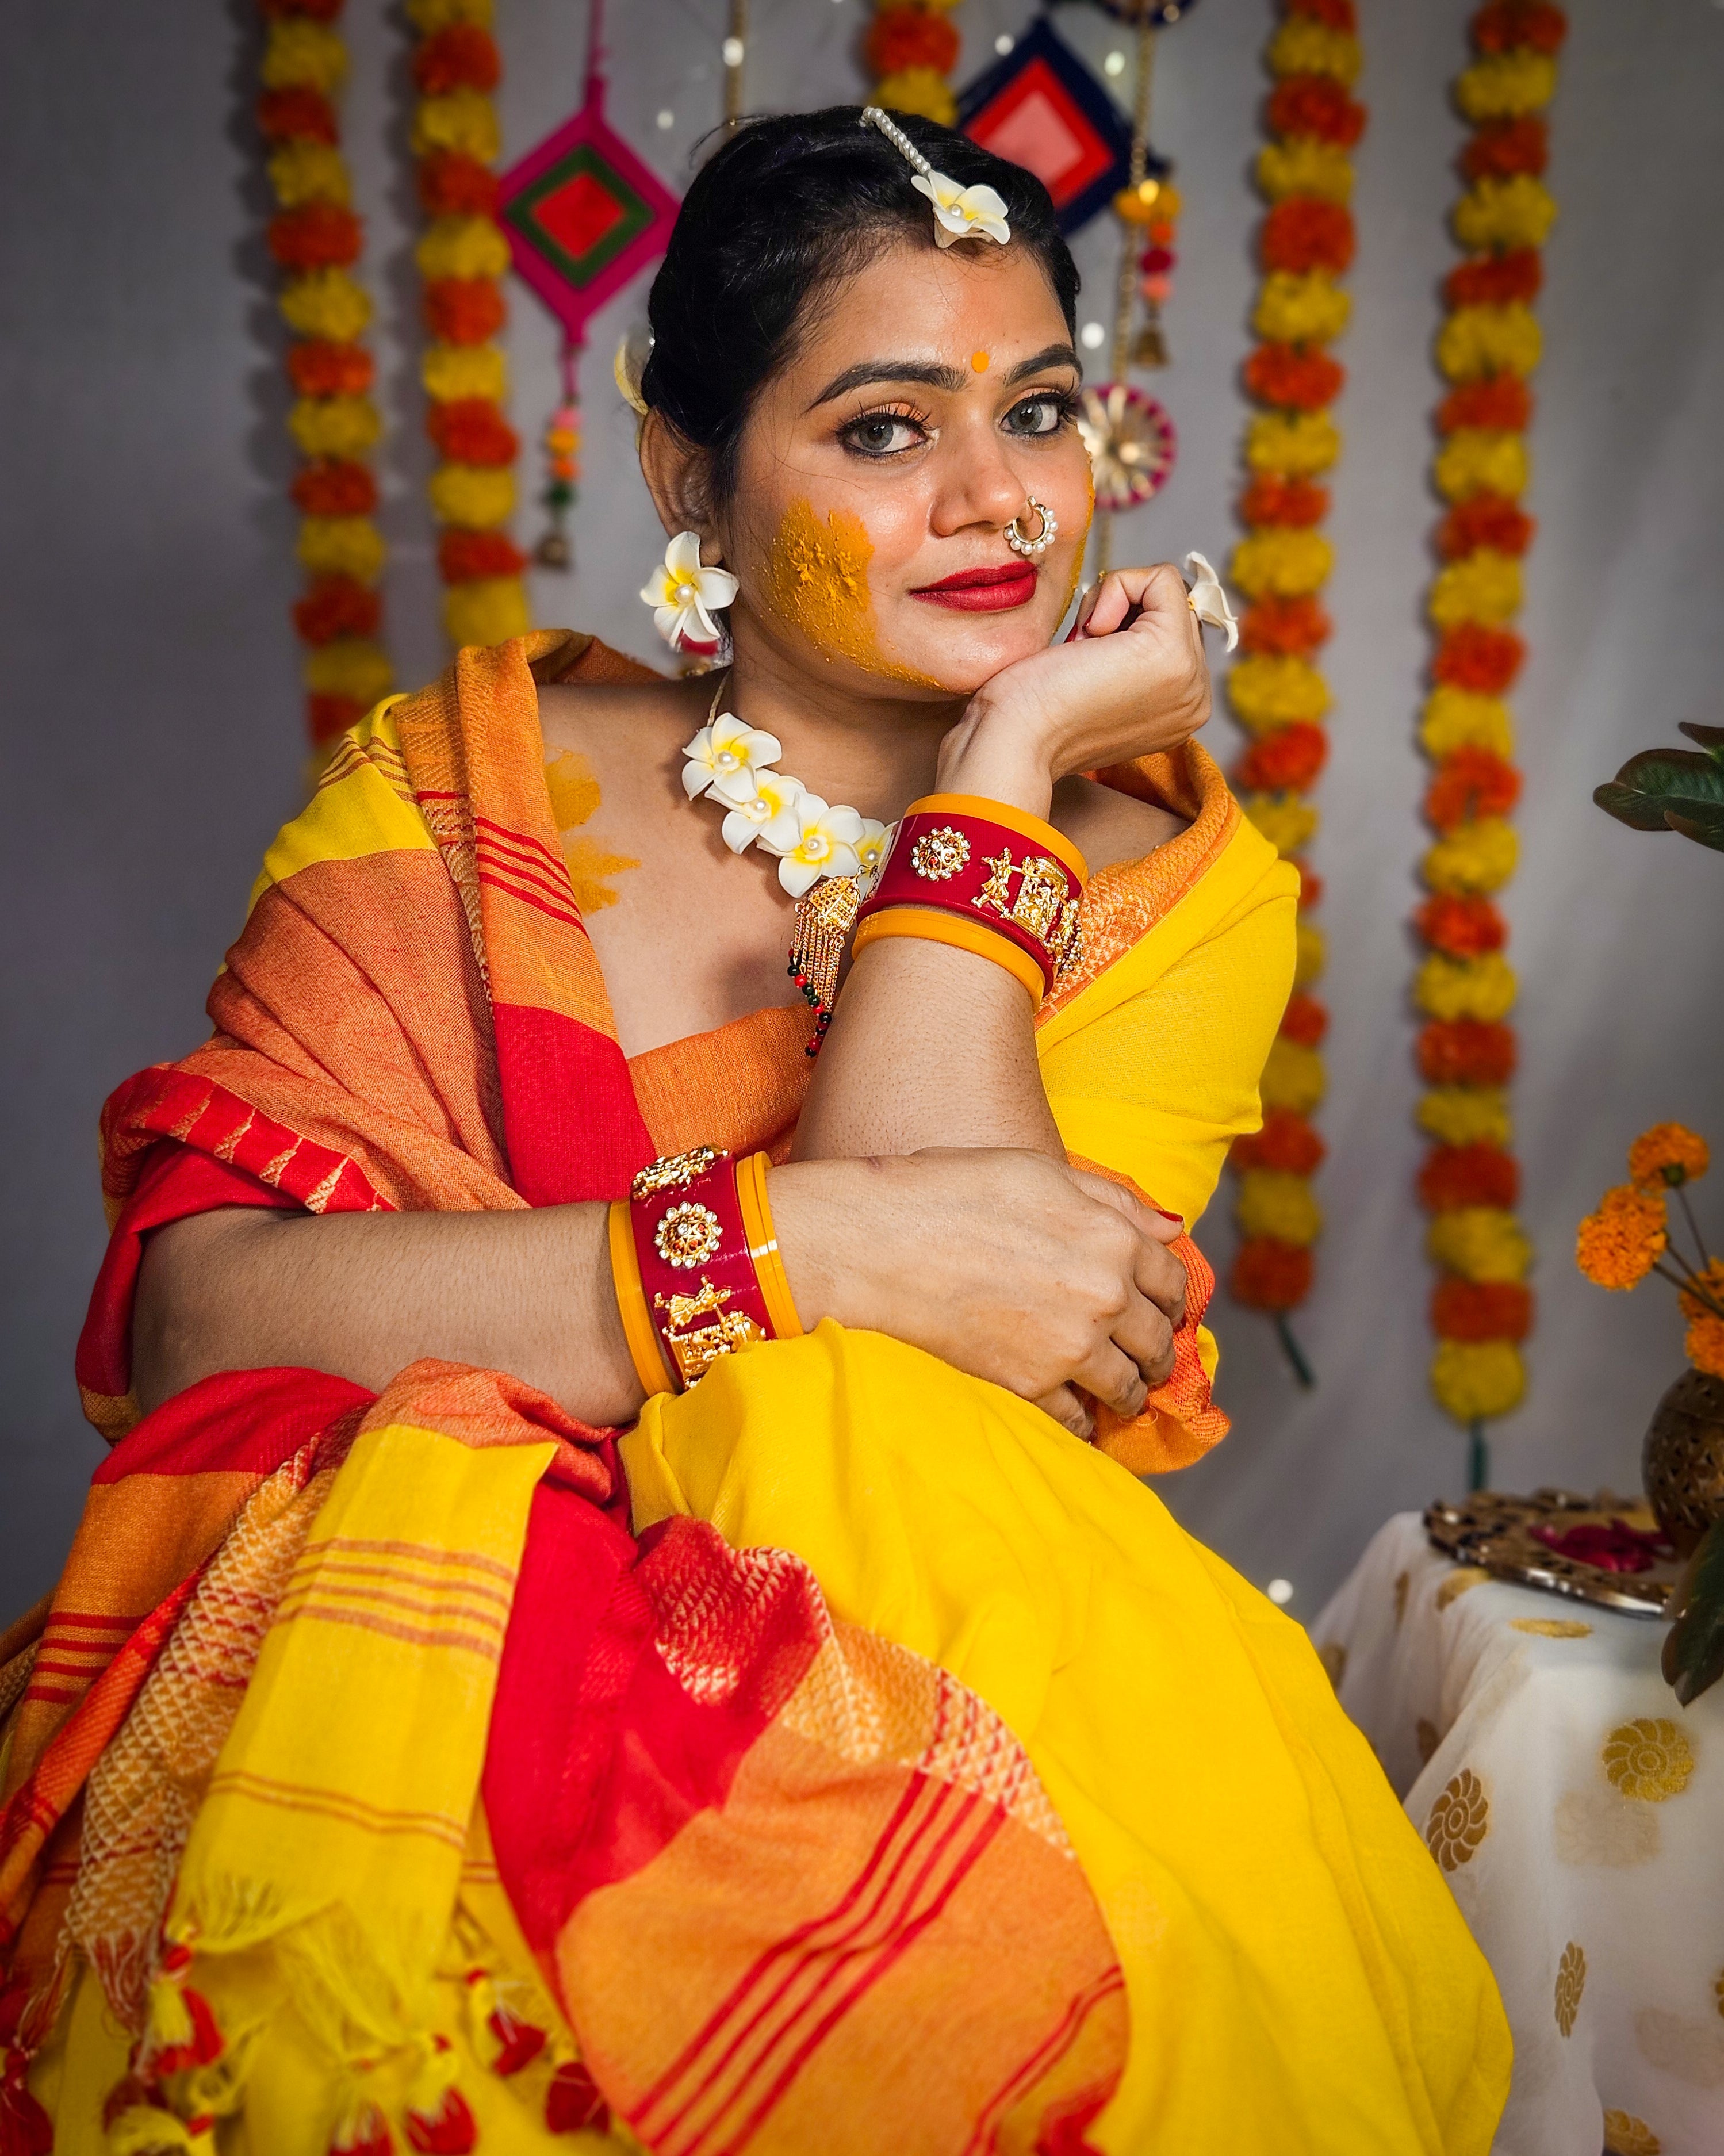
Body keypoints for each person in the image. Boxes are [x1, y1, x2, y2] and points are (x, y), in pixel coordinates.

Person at [0, 107, 1508, 2154]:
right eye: (885, 431)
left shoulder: (1178, 892)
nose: (998, 501)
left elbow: (937, 1416)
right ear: (687, 476)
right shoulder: (468, 798)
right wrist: (812, 1248)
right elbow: (208, 1324)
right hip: (424, 1712)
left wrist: (1003, 770)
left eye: (1040, 411)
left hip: (934, 1722)